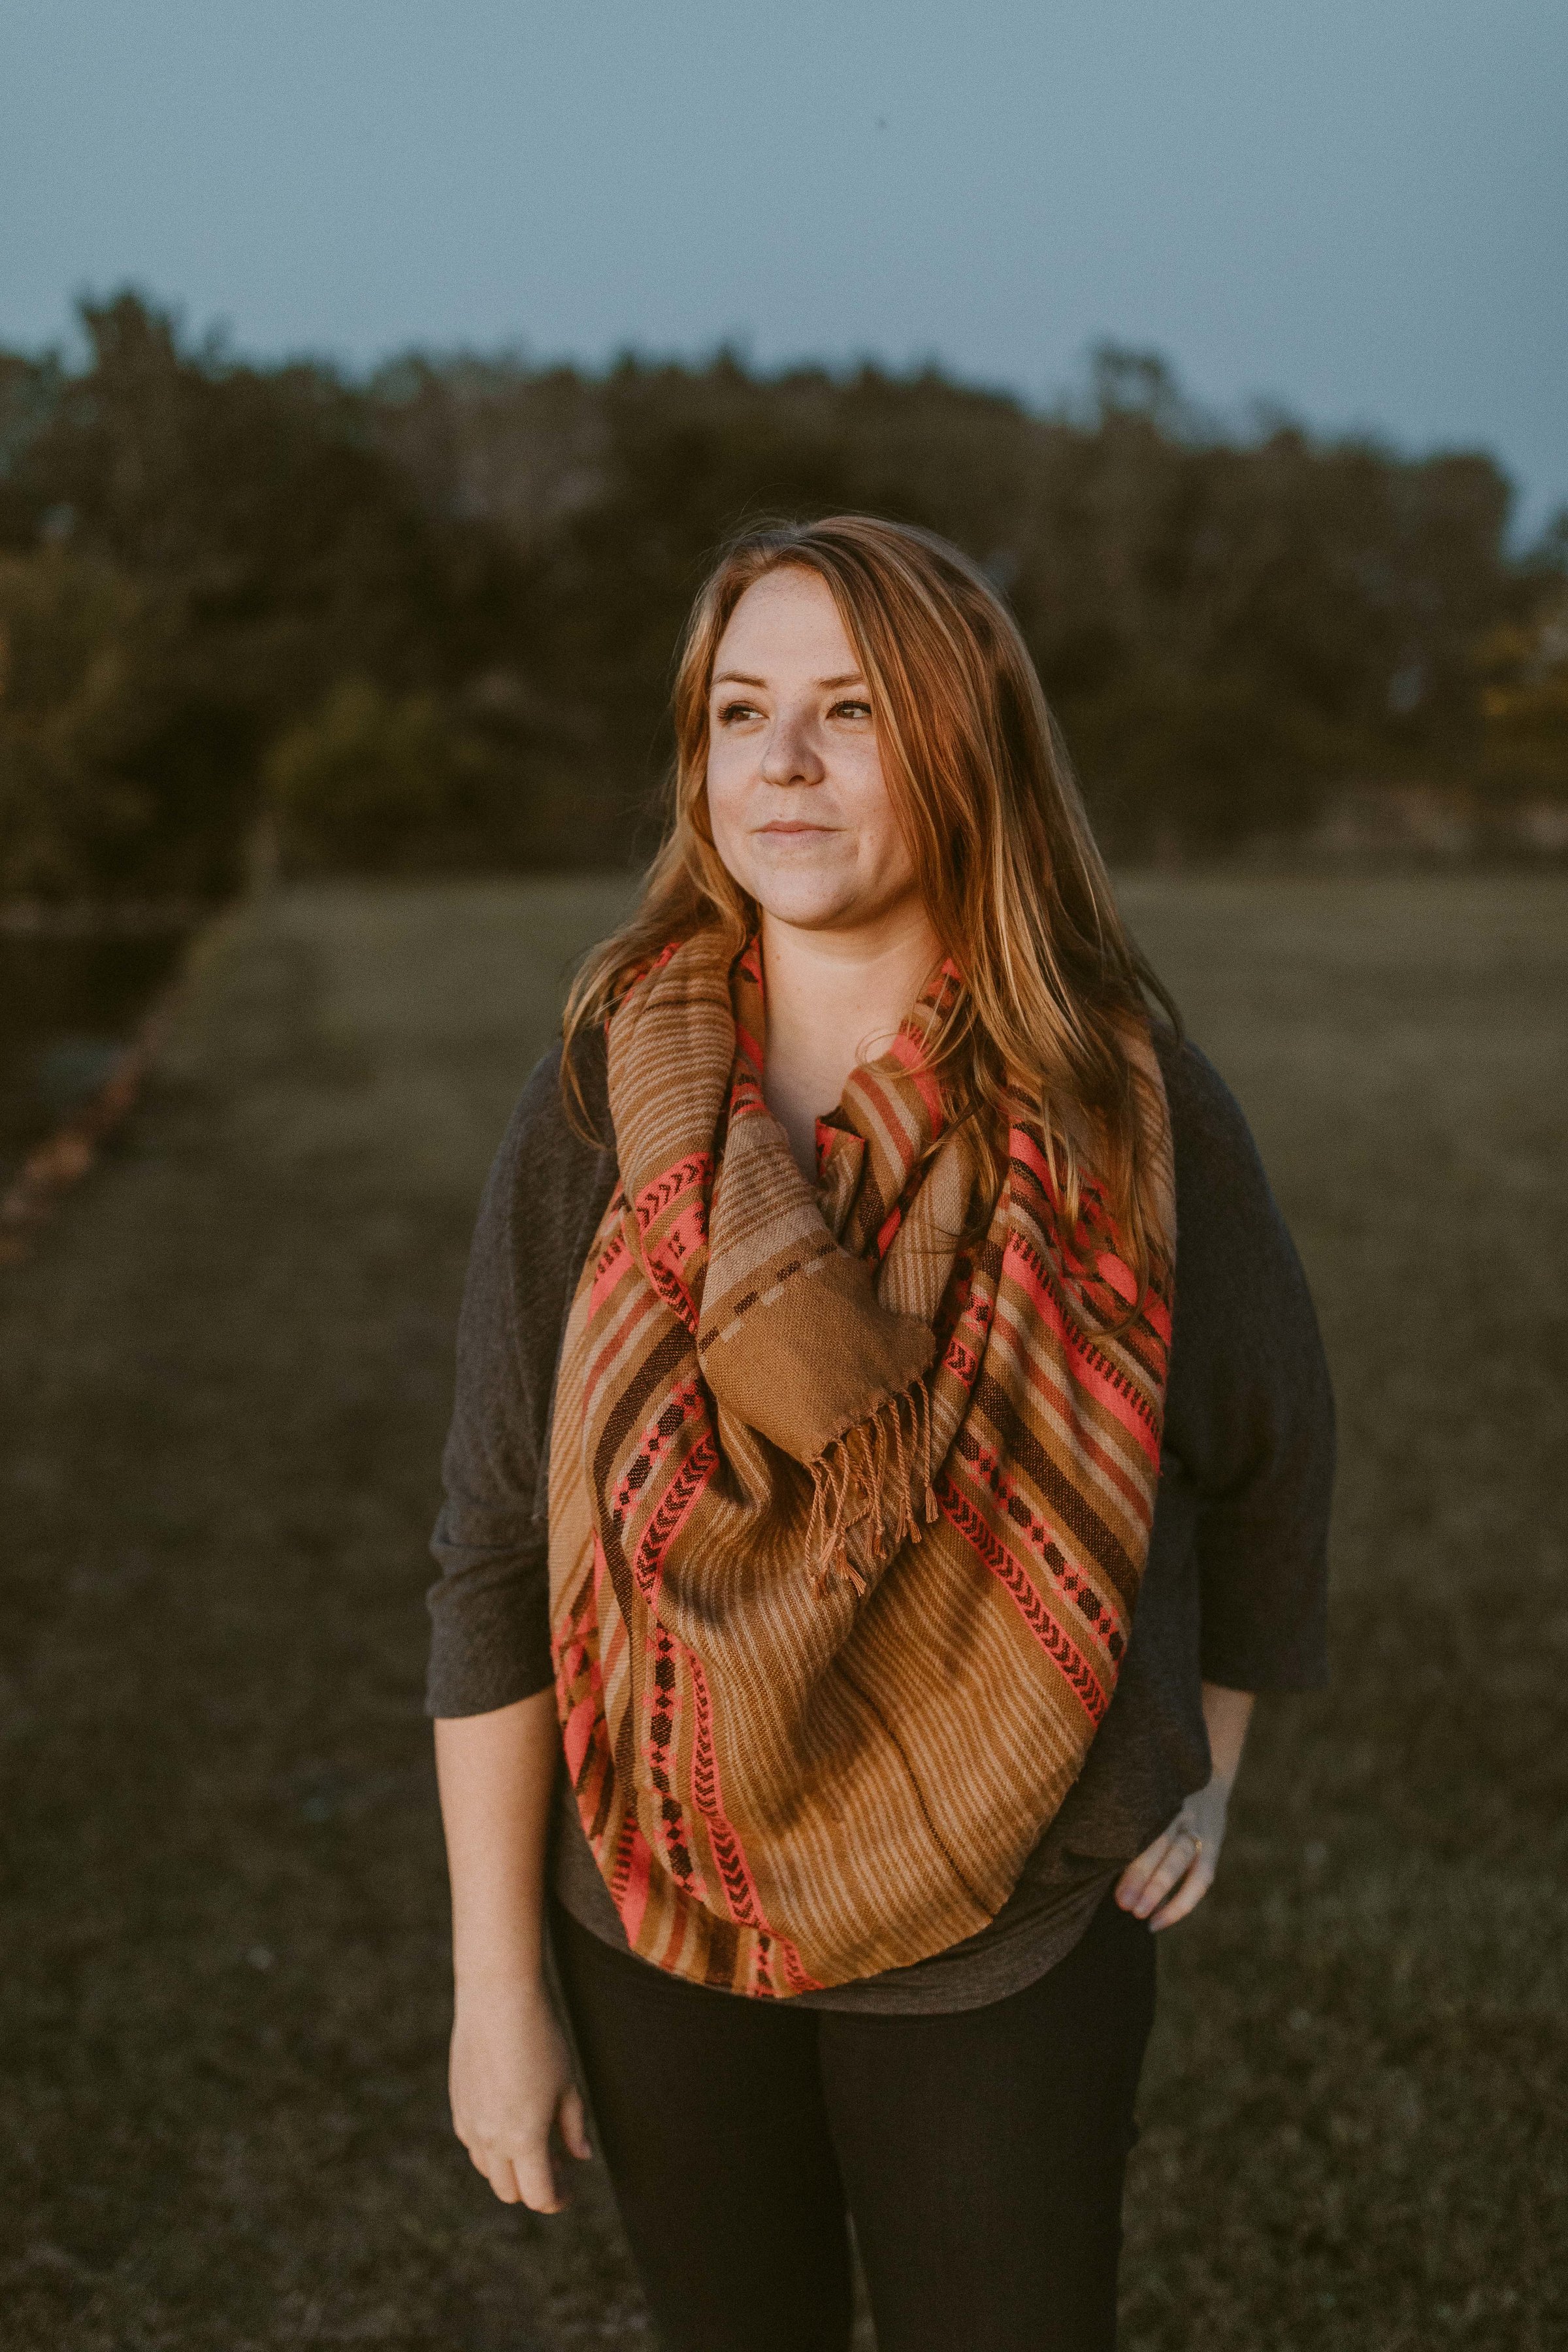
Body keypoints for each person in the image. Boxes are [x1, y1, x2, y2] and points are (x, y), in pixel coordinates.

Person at [427, 515, 1333, 2352]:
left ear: (962, 749)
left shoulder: (1116, 1098)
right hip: (654, 1900)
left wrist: (1208, 1765)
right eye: (740, 712)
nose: (779, 764)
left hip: (1012, 1916)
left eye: (848, 712)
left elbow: (1269, 1458)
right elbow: (495, 1544)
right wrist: (494, 1985)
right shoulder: (608, 1094)